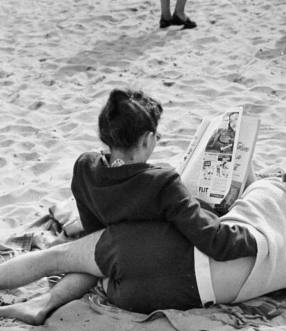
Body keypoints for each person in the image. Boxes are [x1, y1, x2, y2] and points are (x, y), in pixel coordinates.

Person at [0, 144, 286, 325]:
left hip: (171, 252)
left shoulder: (269, 188)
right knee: (103, 271)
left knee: (69, 255)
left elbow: (234, 193)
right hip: (166, 295)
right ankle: (44, 305)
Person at [71, 88, 256, 262]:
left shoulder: (85, 167)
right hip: (161, 259)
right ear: (147, 139)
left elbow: (93, 231)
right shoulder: (161, 183)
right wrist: (257, 237)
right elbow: (213, 241)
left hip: (113, 254)